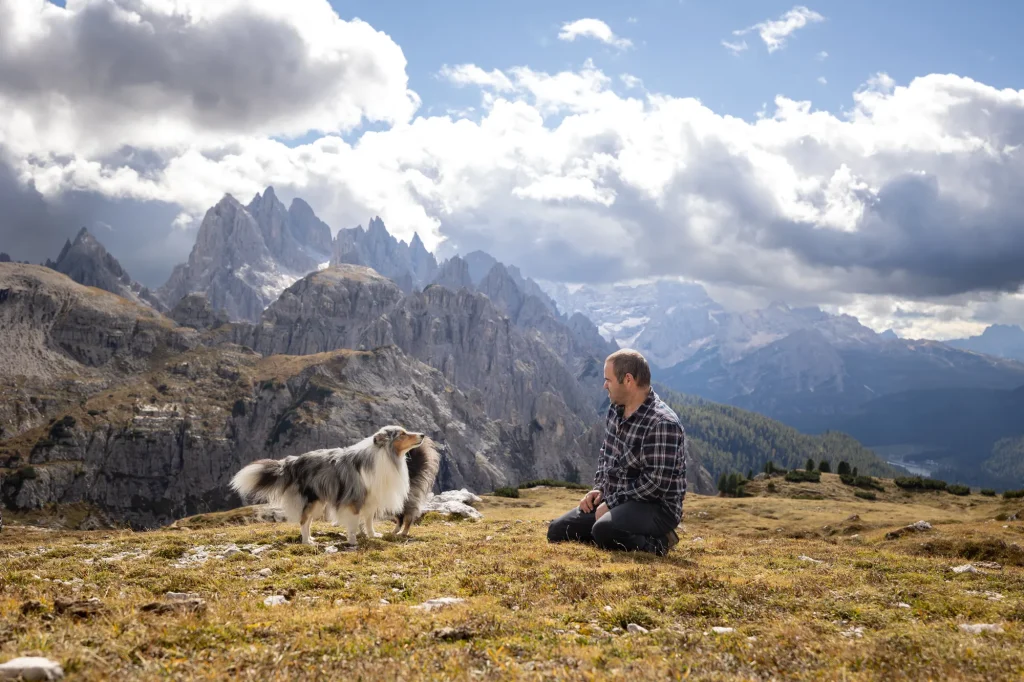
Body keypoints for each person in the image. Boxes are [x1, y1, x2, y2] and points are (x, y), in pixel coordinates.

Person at [547, 349, 685, 556]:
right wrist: (600, 488)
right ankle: (615, 534)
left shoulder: (662, 423)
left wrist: (612, 502)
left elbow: (655, 484)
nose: (604, 385)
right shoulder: (615, 410)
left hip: (656, 507)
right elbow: (607, 455)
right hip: (617, 499)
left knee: (604, 530)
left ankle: (660, 542)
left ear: (628, 380)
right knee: (557, 531)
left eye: (608, 380)